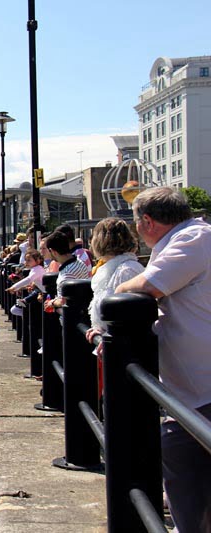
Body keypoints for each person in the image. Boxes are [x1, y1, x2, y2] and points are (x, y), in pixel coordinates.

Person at [115, 186, 211, 532]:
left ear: (147, 221)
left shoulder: (193, 240)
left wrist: (117, 293)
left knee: (182, 466)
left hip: (203, 392)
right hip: (192, 392)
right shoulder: (184, 241)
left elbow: (148, 286)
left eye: (136, 223)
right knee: (182, 466)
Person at [83, 218, 145, 356]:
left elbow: (133, 317)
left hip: (124, 350)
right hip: (108, 345)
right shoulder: (108, 269)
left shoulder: (127, 270)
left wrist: (112, 337)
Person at [42, 231, 91, 312]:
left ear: (53, 251)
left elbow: (63, 301)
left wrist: (51, 303)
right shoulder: (79, 261)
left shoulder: (67, 273)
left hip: (71, 317)